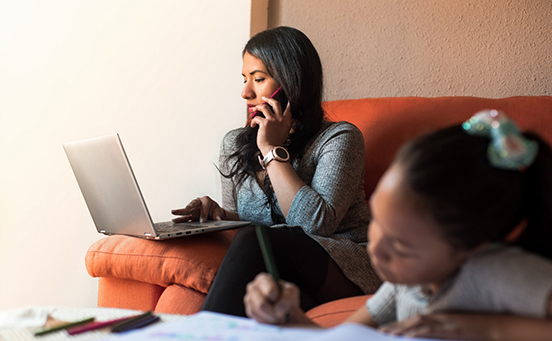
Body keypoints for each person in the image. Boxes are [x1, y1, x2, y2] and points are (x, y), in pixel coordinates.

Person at [244, 109, 552, 340]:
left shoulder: (494, 272)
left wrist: (488, 329)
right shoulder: (407, 283)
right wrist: (287, 316)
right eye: (378, 221)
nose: (376, 247)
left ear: (473, 246)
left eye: (402, 245)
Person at [171, 26, 382, 316]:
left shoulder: (340, 138)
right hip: (280, 277)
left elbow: (314, 225)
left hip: (343, 270)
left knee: (258, 239)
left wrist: (271, 151)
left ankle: (200, 332)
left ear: (289, 83)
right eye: (245, 79)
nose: (245, 92)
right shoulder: (234, 142)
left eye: (258, 79)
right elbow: (242, 224)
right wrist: (217, 214)